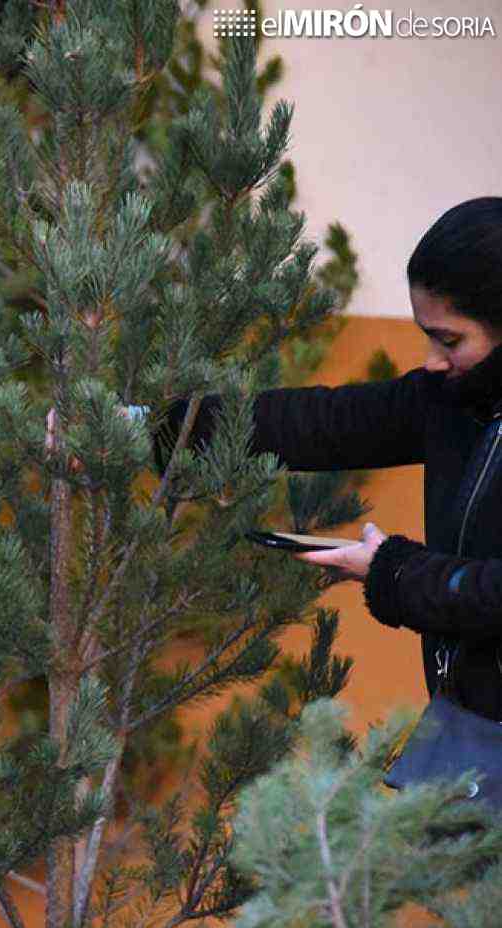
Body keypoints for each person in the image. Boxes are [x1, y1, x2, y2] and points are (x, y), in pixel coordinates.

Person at [161, 196, 502, 722]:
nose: (433, 362)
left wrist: (392, 572)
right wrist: (149, 427)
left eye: (451, 340)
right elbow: (324, 423)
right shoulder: (456, 397)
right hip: (467, 743)